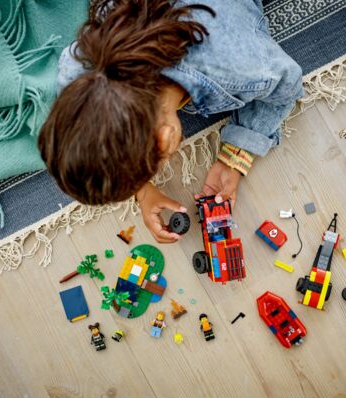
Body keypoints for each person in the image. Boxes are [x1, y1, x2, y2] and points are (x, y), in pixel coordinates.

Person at [38, 0, 303, 243]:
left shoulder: (237, 67)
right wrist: (143, 191)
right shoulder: (79, 68)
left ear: (166, 139)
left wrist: (238, 154)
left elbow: (287, 85)